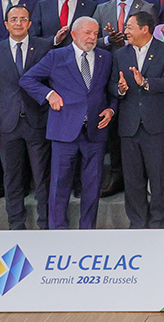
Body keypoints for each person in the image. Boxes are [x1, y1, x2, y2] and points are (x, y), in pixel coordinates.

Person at [20, 17, 115, 230]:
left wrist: (111, 109)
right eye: (87, 33)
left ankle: (88, 229)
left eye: (95, 33)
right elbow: (27, 79)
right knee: (59, 184)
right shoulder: (56, 56)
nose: (92, 37)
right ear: (74, 34)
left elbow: (111, 90)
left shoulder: (105, 57)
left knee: (93, 185)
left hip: (95, 131)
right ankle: (58, 230)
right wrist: (49, 94)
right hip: (64, 130)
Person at [0, 3, 54, 230]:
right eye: (14, 19)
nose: (19, 23)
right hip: (7, 124)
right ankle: (16, 225)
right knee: (12, 178)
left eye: (23, 19)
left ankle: (46, 224)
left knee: (42, 177)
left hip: (37, 121)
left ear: (30, 24)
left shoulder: (44, 47)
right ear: (6, 24)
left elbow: (52, 83)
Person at [114, 9, 164, 229]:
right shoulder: (120, 54)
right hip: (129, 126)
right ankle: (137, 223)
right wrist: (120, 89)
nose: (126, 31)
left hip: (157, 126)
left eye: (130, 27)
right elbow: (111, 86)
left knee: (159, 179)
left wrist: (146, 82)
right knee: (133, 180)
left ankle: (159, 224)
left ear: (145, 29)